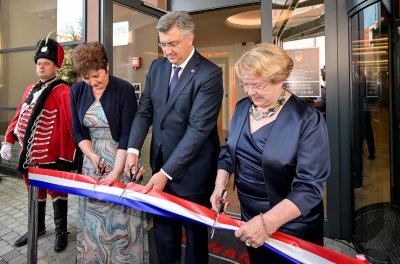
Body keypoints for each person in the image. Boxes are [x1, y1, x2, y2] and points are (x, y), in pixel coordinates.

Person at [210, 43, 330, 264]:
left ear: (280, 80)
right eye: (245, 84)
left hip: (291, 224)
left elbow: (309, 187)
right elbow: (229, 152)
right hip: (249, 215)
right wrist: (219, 186)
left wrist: (266, 223)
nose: (249, 91)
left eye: (258, 86)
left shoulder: (307, 120)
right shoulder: (242, 107)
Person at [124, 11, 223, 264]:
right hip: (160, 163)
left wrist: (166, 172)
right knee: (163, 231)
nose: (167, 51)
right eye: (163, 44)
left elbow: (199, 130)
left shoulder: (209, 74)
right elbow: (144, 111)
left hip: (194, 171)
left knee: (194, 236)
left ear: (190, 38)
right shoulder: (157, 68)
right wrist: (133, 151)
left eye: (173, 43)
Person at [70, 41, 149, 263]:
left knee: (121, 224)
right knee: (94, 222)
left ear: (107, 66)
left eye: (97, 75)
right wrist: (92, 156)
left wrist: (116, 172)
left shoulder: (123, 89)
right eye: (87, 78)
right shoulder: (76, 91)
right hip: (92, 161)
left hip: (121, 160)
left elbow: (127, 133)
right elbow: (77, 131)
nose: (93, 82)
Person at [0, 35, 77, 252]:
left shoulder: (63, 90)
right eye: (39, 64)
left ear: (55, 67)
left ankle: (61, 231)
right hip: (28, 155)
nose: (41, 67)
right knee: (34, 191)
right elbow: (19, 115)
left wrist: (68, 157)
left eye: (46, 64)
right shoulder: (30, 88)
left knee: (57, 193)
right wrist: (8, 140)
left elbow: (71, 124)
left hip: (51, 157)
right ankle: (38, 227)